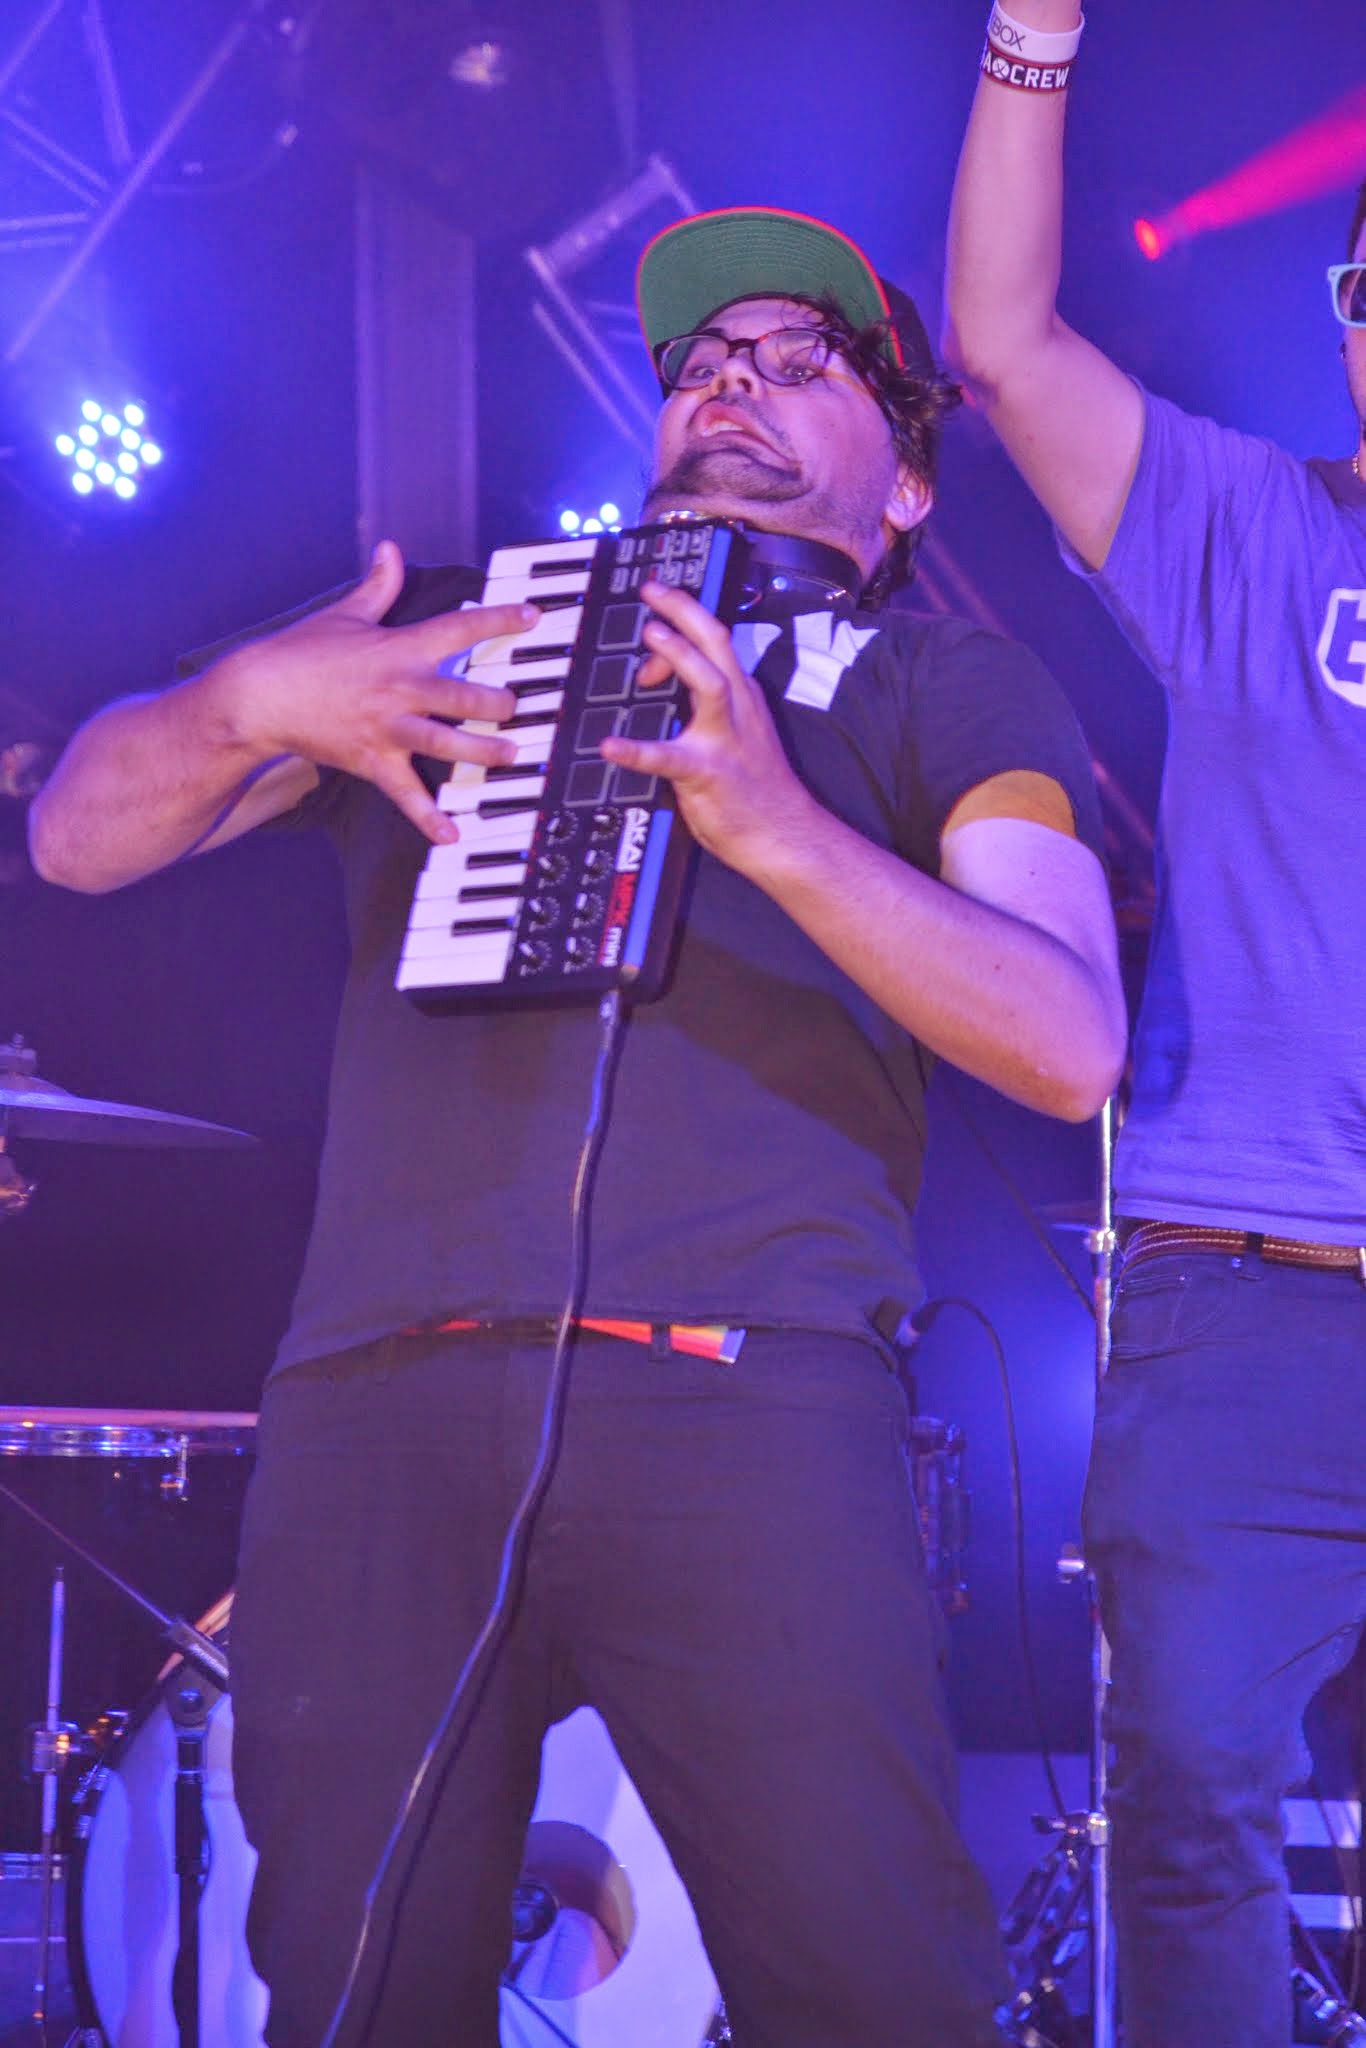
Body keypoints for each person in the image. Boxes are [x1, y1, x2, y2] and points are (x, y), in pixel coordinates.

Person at [30, 206, 1124, 2047]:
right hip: (380, 1404)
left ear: (909, 485)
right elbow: (78, 837)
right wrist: (242, 700)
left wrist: (776, 825)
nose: (733, 383)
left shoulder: (948, 683)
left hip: (747, 1400)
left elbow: (1067, 1037)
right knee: (355, 1997)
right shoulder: (464, 637)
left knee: (872, 1993)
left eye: (802, 361)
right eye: (704, 360)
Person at [944, 15, 1366, 2048]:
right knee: (1190, 1814)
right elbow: (1003, 342)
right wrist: (1030, 38)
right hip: (1245, 1293)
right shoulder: (1250, 531)